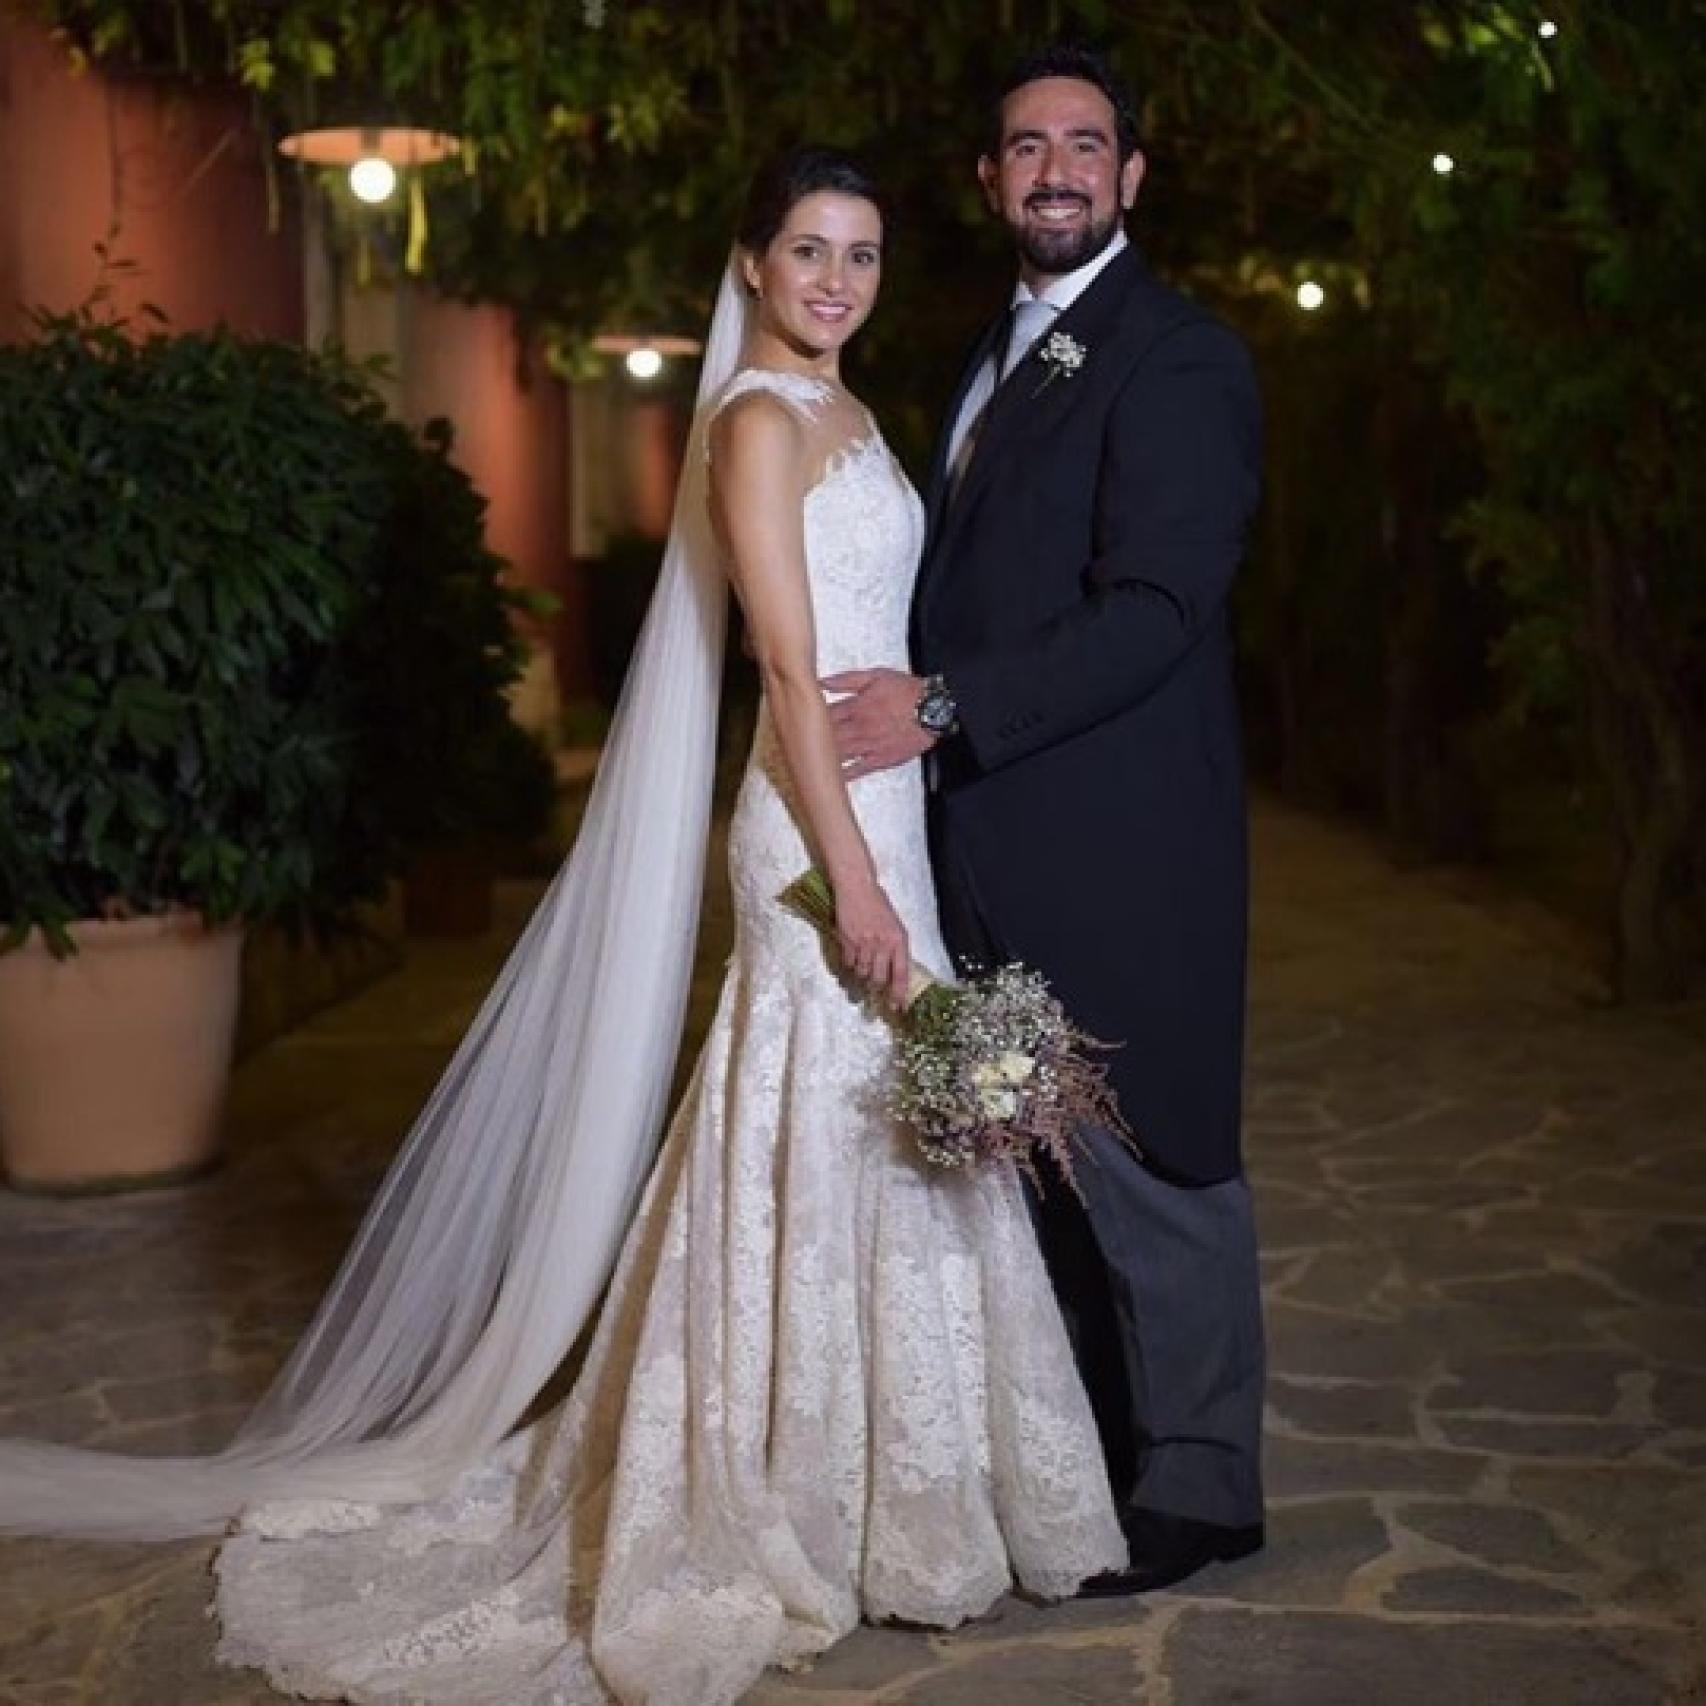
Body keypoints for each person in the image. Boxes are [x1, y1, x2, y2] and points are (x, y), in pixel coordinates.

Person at [0, 148, 1124, 1703]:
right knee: (806, 1113)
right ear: (748, 262)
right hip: (812, 829)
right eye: (806, 248)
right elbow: (789, 678)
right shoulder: (749, 425)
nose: (835, 280)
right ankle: (772, 1488)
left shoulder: (857, 414)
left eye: (861, 253)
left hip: (888, 818)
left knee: (898, 1125)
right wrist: (853, 881)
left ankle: (905, 1495)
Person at [827, 44, 1267, 1594]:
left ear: (1132, 177)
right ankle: (1089, 1455)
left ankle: (1206, 1483)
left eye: (1087, 145)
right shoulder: (981, 349)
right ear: (988, 179)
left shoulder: (1179, 355)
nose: (1057, 171)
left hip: (1122, 841)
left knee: (1160, 1161)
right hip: (985, 840)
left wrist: (937, 708)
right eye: (1026, 148)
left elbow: (1152, 605)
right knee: (1036, 1168)